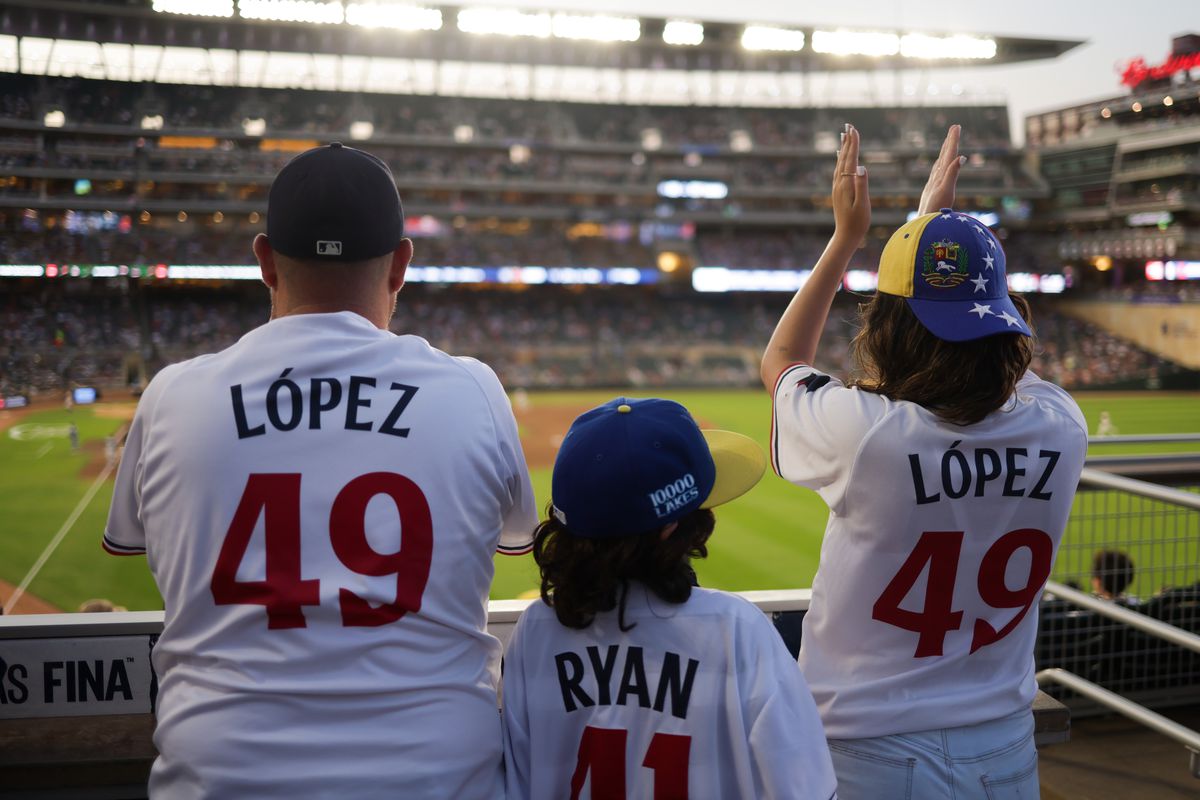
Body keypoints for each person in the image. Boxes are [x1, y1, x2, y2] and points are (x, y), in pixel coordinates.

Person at [103, 142, 536, 798]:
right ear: (401, 264)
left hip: (222, 781)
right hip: (436, 780)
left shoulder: (171, 396)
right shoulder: (473, 390)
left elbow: (130, 544)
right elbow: (517, 537)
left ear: (265, 261)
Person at [761, 124, 1089, 799]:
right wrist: (932, 238)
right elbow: (997, 360)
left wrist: (850, 239)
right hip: (1004, 748)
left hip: (868, 752)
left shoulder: (866, 434)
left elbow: (782, 361)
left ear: (887, 325)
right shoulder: (1062, 425)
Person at [502, 397, 838, 800]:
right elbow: (806, 789)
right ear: (671, 527)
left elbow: (518, 782)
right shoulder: (737, 630)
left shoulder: (536, 633)